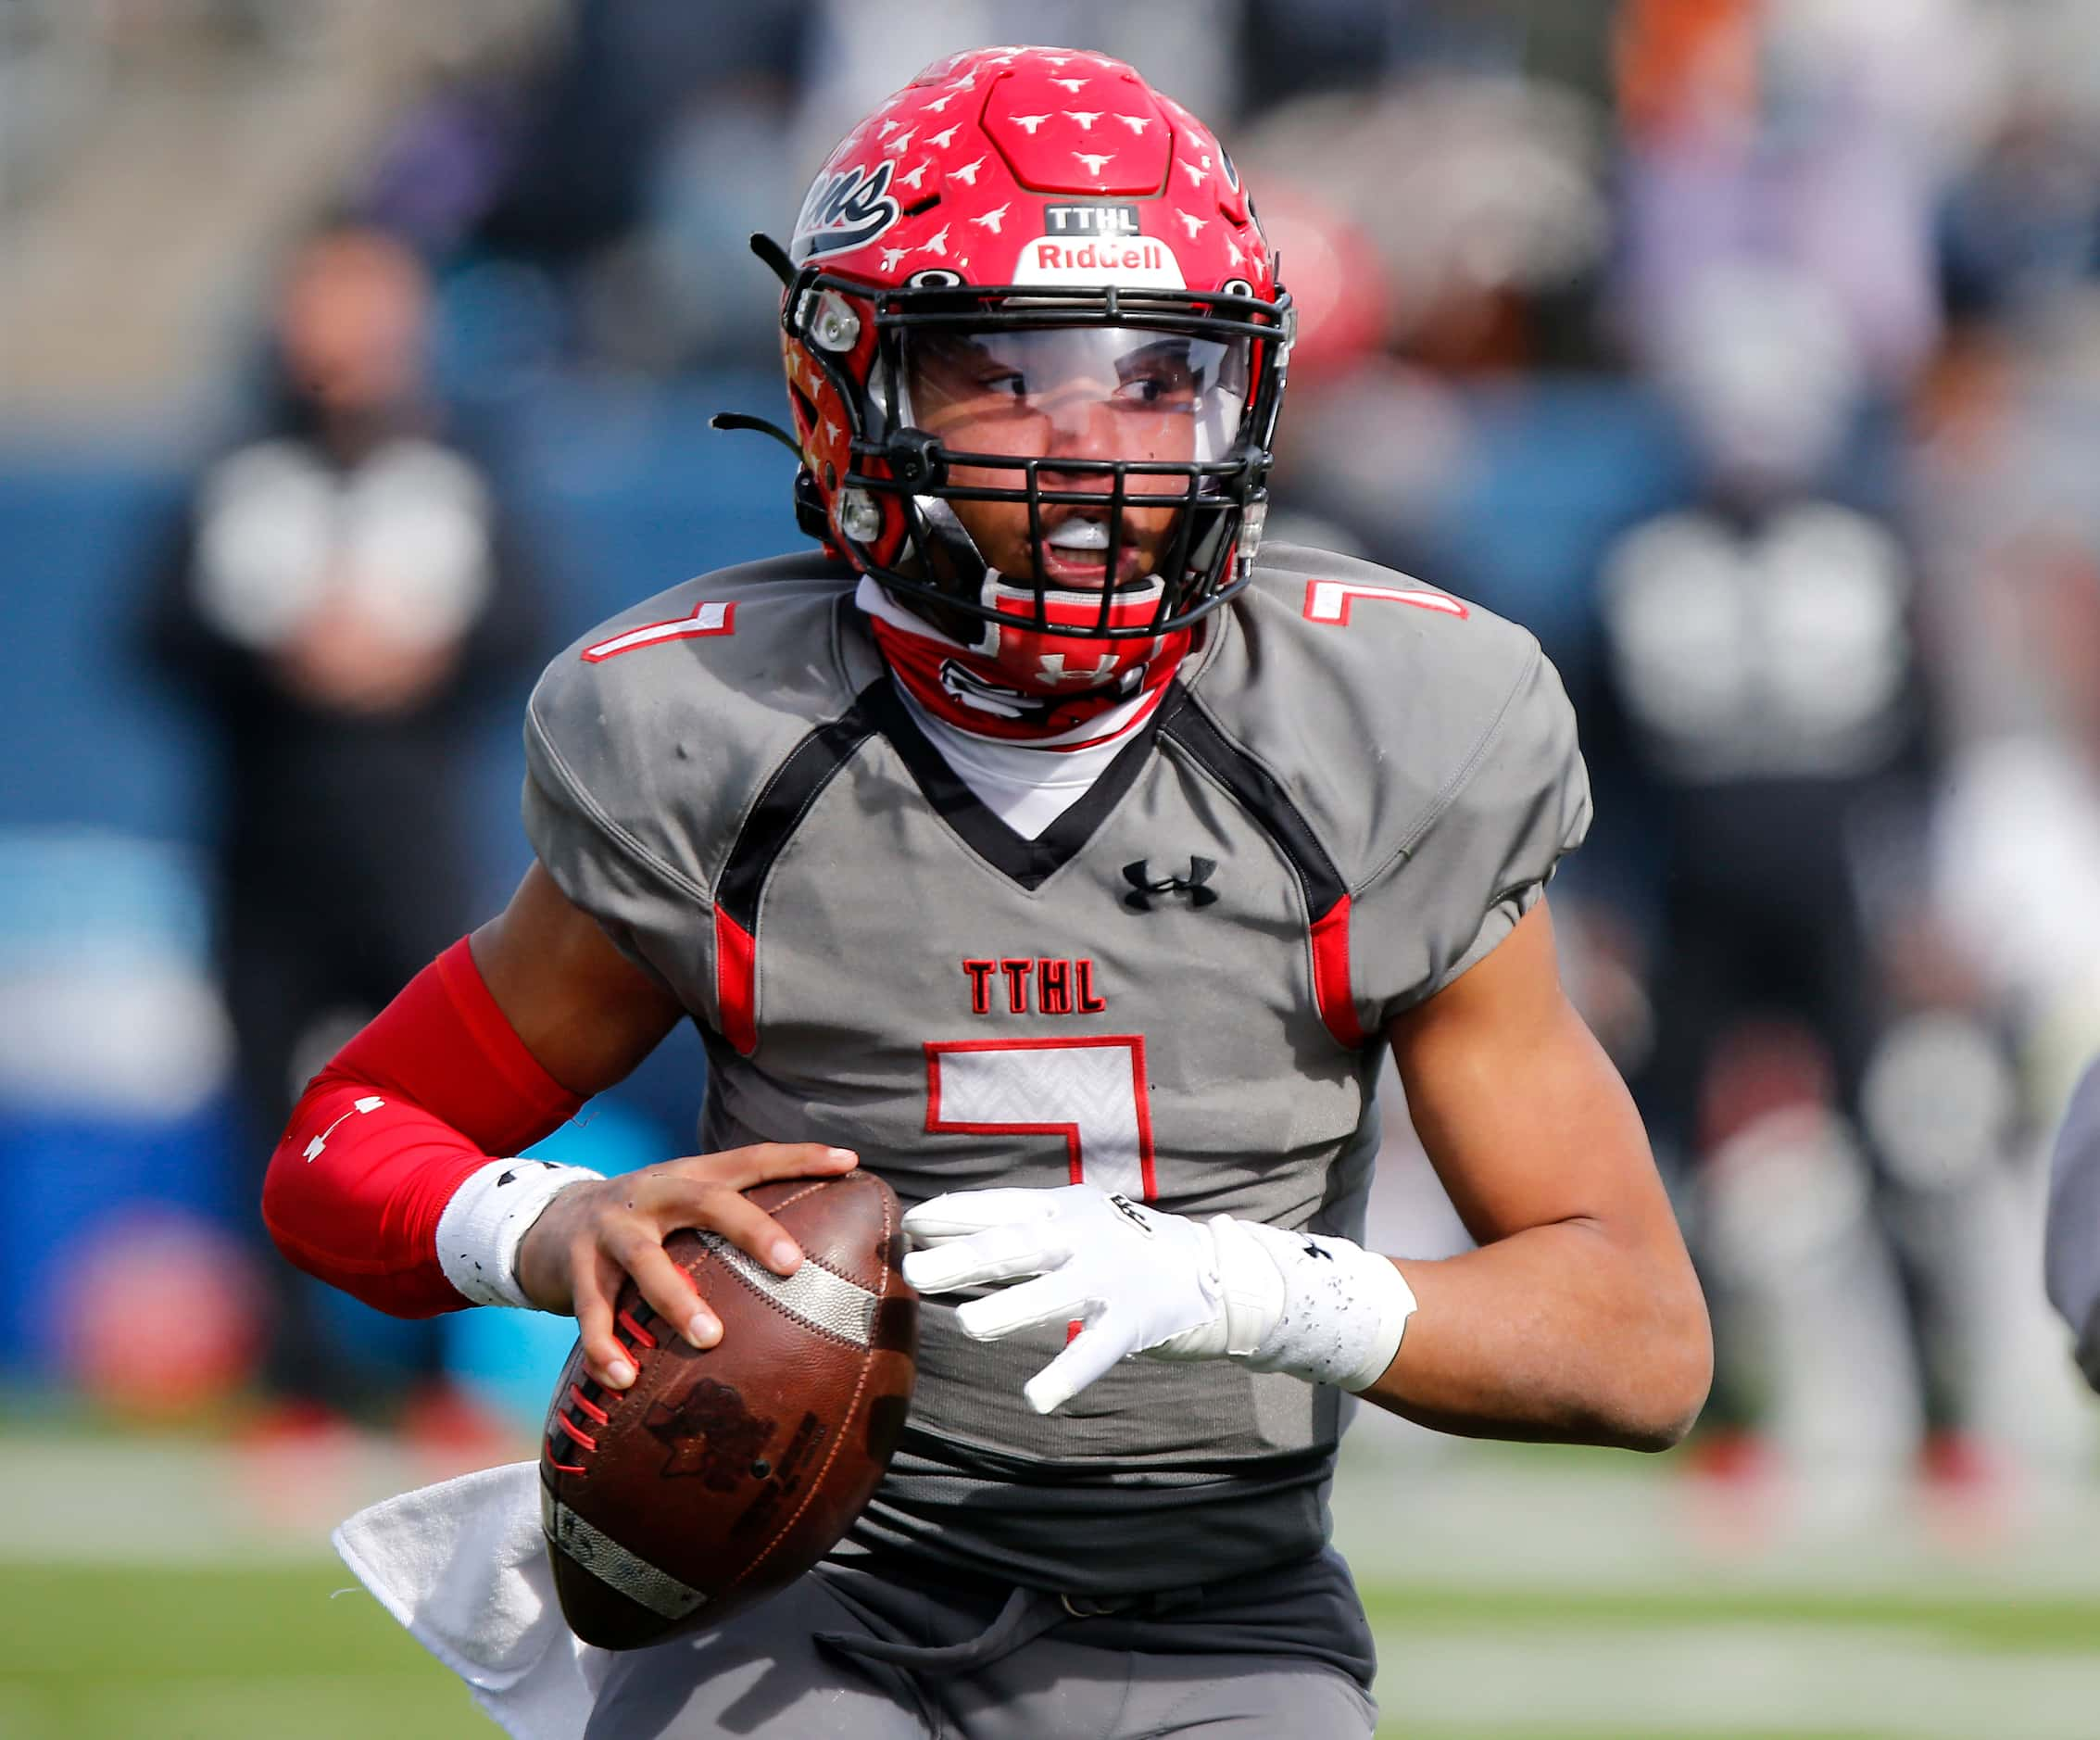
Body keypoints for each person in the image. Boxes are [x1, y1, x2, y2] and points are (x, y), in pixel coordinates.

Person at [264, 46, 1711, 1739]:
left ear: (1240, 402)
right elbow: (337, 1145)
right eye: (1005, 374)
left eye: (1157, 375)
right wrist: (546, 1223)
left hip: (1216, 1598)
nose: (1093, 446)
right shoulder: (713, 733)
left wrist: (1246, 1288)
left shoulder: (1389, 733)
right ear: (848, 394)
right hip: (808, 1581)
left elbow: (1635, 1340)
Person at [147, 218, 547, 1431]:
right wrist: (280, 654)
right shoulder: (233, 469)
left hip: (413, 841)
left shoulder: (461, 465)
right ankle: (299, 1385)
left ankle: (435, 1379)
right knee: (267, 1119)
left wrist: (415, 655)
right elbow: (153, 634)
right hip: (266, 843)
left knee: (445, 1115)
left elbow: (526, 623)